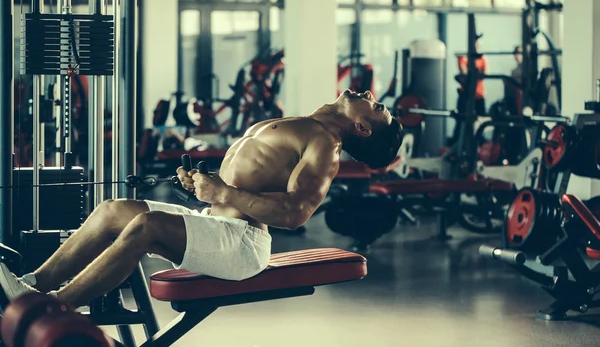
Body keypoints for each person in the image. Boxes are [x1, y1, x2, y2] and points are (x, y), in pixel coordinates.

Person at [0, 90, 403, 309]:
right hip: (217, 221)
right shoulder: (307, 125)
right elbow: (248, 181)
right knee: (112, 211)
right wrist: (204, 185)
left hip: (243, 245)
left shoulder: (325, 146)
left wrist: (224, 192)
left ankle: (55, 307)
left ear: (362, 128)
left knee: (146, 226)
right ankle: (30, 288)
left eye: (377, 106)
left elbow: (296, 213)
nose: (369, 93)